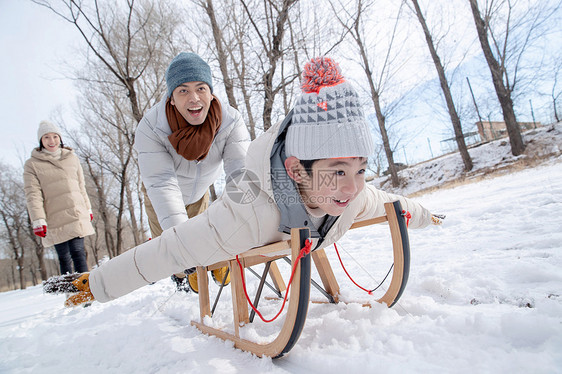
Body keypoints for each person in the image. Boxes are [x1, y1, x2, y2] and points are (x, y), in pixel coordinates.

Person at [48, 57, 444, 308]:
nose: (351, 187)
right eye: (338, 173)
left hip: (230, 191)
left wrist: (429, 216)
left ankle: (212, 257)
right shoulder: (152, 131)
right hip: (179, 198)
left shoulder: (351, 194)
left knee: (213, 232)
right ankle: (200, 272)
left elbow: (388, 201)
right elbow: (167, 234)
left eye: (359, 170)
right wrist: (97, 284)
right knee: (186, 249)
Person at [135, 52, 250, 293]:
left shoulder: (230, 122)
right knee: (171, 250)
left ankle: (212, 263)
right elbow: (162, 183)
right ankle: (180, 280)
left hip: (199, 194)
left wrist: (244, 224)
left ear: (211, 92)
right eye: (183, 90)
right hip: (160, 197)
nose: (194, 98)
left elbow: (240, 176)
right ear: (172, 98)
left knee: (205, 234)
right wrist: (184, 249)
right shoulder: (151, 127)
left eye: (200, 88)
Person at [24, 120, 95, 275]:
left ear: (60, 138)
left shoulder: (72, 158)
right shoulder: (32, 164)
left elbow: (81, 186)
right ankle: (70, 294)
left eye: (55, 136)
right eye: (47, 137)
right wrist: (38, 219)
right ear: (41, 141)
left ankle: (85, 293)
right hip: (54, 218)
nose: (52, 141)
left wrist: (87, 208)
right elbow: (33, 194)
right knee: (64, 257)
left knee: (78, 252)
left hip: (76, 213)